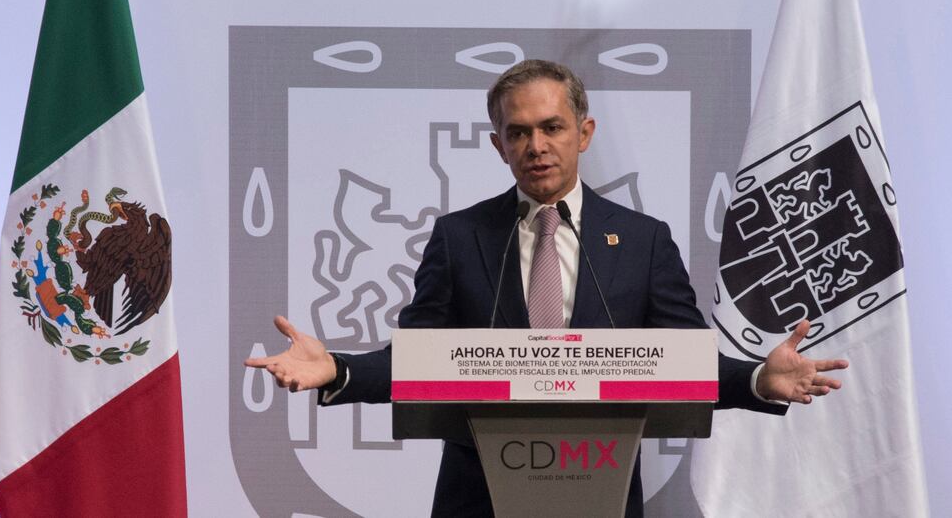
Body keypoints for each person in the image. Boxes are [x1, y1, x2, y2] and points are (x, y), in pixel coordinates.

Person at [245, 59, 848, 517]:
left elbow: (682, 364)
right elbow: (419, 359)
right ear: (498, 145)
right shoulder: (459, 237)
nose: (536, 146)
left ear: (583, 133)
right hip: (476, 495)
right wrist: (340, 371)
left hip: (599, 489)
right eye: (518, 132)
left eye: (552, 127)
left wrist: (753, 380)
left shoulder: (643, 241)